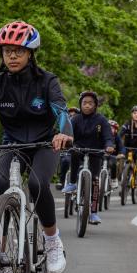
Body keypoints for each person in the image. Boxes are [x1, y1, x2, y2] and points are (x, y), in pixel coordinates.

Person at [0, 21, 73, 273]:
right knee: (0, 185)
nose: (11, 56)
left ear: (30, 54)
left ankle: (53, 242)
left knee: (36, 183)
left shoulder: (47, 81)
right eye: (7, 50)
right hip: (12, 144)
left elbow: (62, 112)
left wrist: (63, 134)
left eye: (18, 51)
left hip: (45, 144)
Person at [62, 91, 114, 224]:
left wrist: (109, 146)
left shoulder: (101, 120)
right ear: (81, 104)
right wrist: (66, 142)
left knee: (95, 180)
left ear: (95, 105)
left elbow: (108, 136)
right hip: (79, 148)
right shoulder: (75, 119)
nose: (87, 106)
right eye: (84, 103)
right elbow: (68, 133)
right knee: (73, 154)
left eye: (90, 103)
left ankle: (94, 213)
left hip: (95, 151)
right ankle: (73, 183)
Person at [56, 106, 80, 190]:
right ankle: (61, 180)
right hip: (67, 151)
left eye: (74, 115)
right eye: (70, 114)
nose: (72, 116)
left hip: (79, 151)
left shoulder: (80, 125)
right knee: (65, 160)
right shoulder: (62, 125)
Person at [108, 119, 124, 189]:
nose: (110, 130)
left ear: (116, 130)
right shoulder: (101, 135)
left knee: (113, 164)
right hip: (102, 155)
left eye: (112, 128)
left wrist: (121, 153)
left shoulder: (117, 137)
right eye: (108, 128)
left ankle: (113, 179)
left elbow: (121, 147)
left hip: (113, 156)